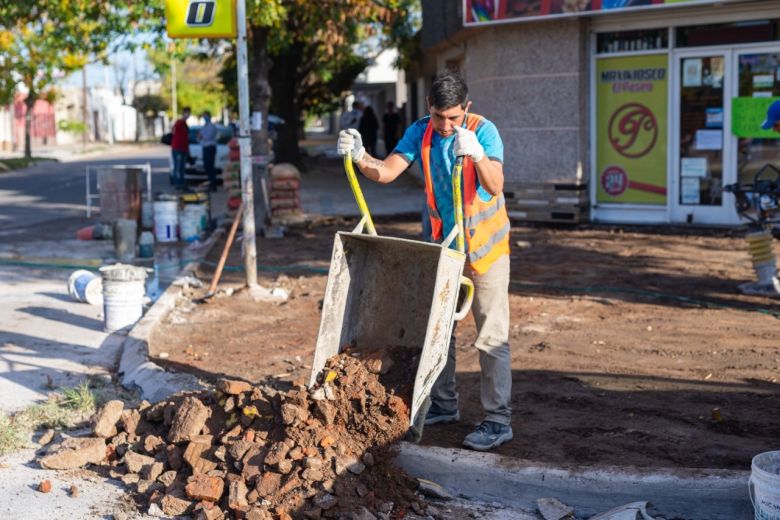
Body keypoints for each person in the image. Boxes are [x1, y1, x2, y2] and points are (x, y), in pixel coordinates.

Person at [336, 70, 512, 451]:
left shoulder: (483, 131)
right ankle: (444, 405)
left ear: (466, 108)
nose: (446, 126)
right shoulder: (421, 131)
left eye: (453, 117)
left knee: (490, 336)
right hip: (445, 249)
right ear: (428, 108)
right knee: (439, 331)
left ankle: (498, 420)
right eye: (438, 116)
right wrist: (360, 154)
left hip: (485, 251)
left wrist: (478, 155)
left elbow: (496, 185)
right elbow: (386, 171)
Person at [171, 106, 191, 188]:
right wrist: (183, 119)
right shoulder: (179, 122)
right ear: (183, 113)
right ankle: (177, 183)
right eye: (187, 113)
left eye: (189, 113)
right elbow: (174, 129)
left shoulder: (185, 124)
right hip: (177, 148)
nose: (188, 115)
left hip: (184, 149)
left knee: (182, 168)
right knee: (178, 167)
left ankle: (182, 183)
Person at [198, 111, 218, 190]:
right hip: (205, 147)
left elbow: (207, 136)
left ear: (209, 117)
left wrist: (201, 136)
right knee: (207, 166)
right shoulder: (204, 126)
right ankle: (210, 182)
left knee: (210, 166)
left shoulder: (212, 126)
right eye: (204, 116)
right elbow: (199, 137)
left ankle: (213, 184)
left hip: (210, 147)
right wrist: (201, 136)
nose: (204, 118)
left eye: (206, 116)